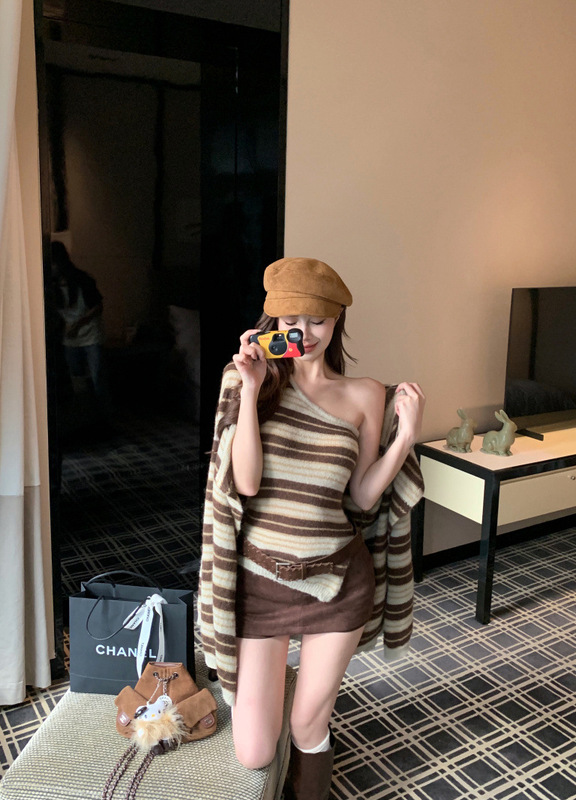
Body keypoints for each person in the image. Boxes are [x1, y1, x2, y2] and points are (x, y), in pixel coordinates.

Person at [199, 257, 425, 799]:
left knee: (306, 726)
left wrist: (405, 438)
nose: (305, 333)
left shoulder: (365, 395)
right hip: (261, 583)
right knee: (255, 750)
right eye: (291, 321)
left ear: (337, 320)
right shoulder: (248, 381)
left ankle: (310, 743)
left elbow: (362, 497)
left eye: (318, 320)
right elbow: (245, 482)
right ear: (273, 323)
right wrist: (250, 388)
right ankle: (278, 682)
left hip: (337, 581)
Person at [51, 241, 110, 418]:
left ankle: (103, 417)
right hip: (70, 338)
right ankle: (85, 416)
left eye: (53, 263)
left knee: (97, 378)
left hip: (90, 335)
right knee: (77, 380)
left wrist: (77, 324)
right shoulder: (52, 285)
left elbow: (98, 307)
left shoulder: (82, 279)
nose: (52, 268)